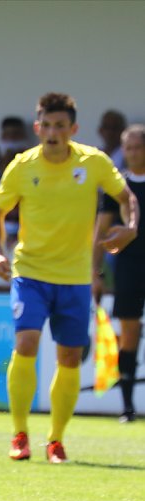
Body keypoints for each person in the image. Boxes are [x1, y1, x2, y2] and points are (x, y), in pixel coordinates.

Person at [0, 92, 139, 464]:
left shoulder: (94, 162)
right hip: (31, 273)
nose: (52, 133)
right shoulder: (23, 166)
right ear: (38, 127)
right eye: (47, 125)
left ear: (73, 129)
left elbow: (127, 197)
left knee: (70, 357)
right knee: (26, 344)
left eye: (60, 126)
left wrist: (132, 226)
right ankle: (20, 433)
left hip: (74, 277)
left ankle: (55, 440)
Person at [94, 124, 145, 422]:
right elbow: (100, 231)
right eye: (128, 147)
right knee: (128, 333)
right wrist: (95, 272)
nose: (133, 152)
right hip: (128, 267)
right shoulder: (117, 189)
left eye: (138, 147)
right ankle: (127, 405)